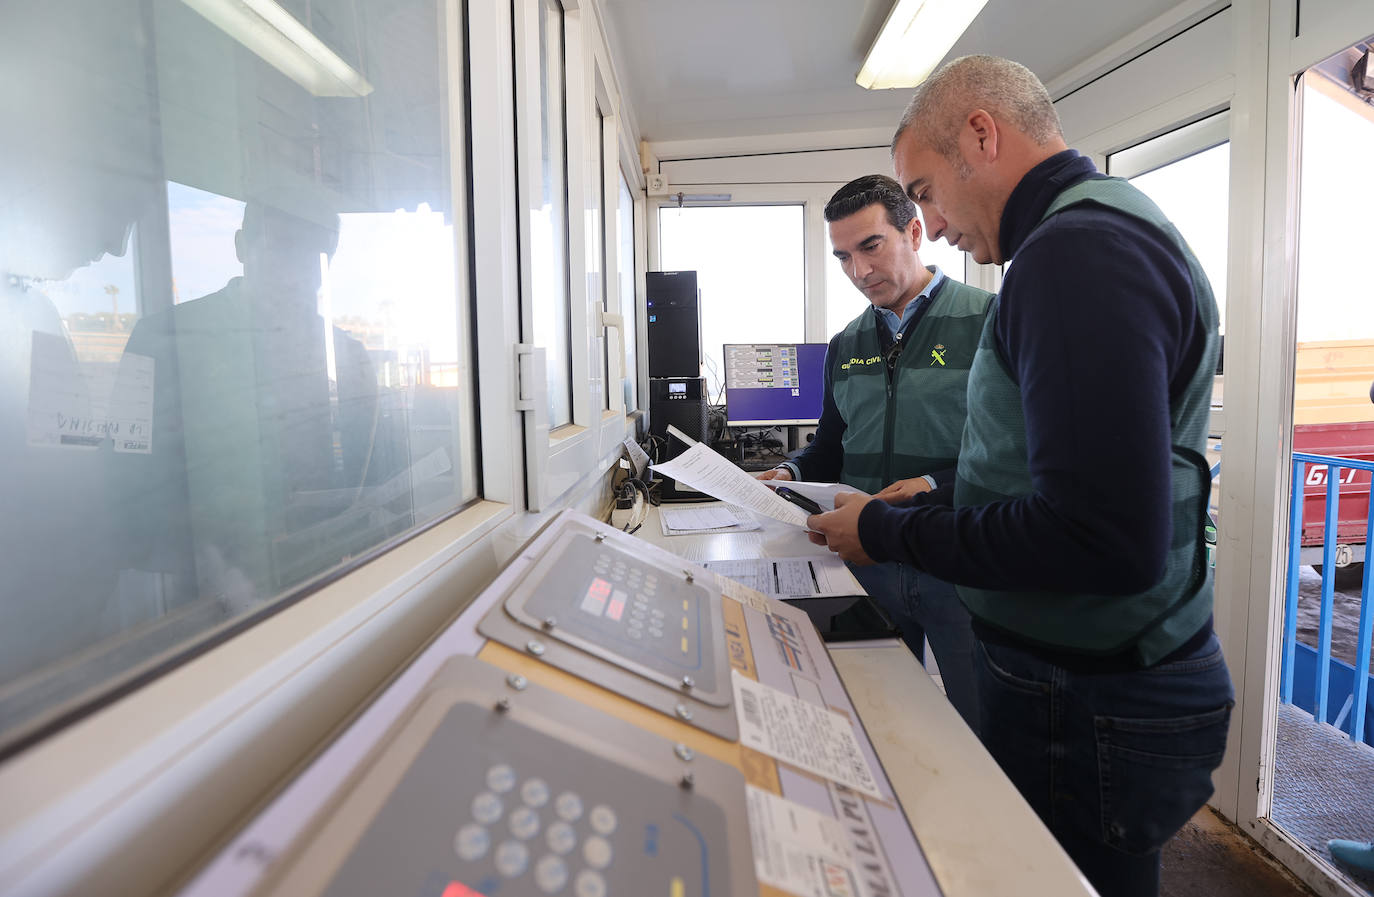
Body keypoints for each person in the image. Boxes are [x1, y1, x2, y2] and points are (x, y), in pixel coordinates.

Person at [806, 56, 1233, 897]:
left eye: (924, 191)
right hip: (1087, 669)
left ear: (981, 135)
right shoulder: (1087, 236)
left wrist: (891, 530)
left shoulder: (1074, 257)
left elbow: (1101, 536)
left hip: (1092, 690)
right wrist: (936, 494)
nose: (933, 218)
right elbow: (1050, 472)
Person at [759, 174, 993, 732]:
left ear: (914, 231)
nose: (859, 272)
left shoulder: (990, 321)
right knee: (880, 721)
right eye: (843, 257)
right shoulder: (845, 344)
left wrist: (935, 485)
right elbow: (830, 446)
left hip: (959, 564)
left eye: (871, 247)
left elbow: (1019, 457)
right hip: (866, 565)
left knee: (982, 730)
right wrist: (788, 470)